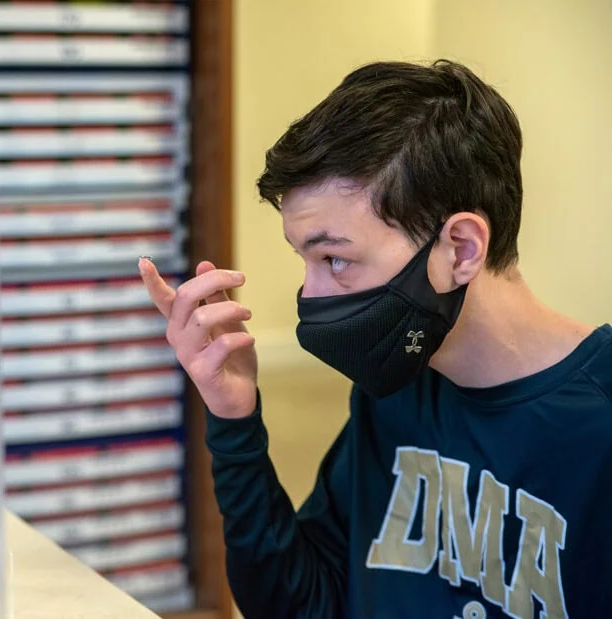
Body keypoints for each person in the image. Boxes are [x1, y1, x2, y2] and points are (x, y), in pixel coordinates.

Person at [139, 59, 612, 618]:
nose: (311, 296)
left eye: (335, 258)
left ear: (461, 248)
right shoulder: (396, 380)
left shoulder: (596, 430)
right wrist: (234, 421)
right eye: (306, 260)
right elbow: (301, 604)